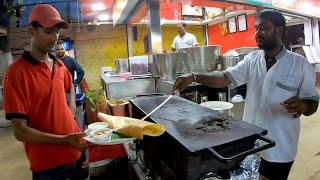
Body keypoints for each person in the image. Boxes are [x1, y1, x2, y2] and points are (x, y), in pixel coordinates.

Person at [173, 11, 319, 180]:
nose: (257, 33)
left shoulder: (300, 65)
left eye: (264, 28)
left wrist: (303, 105)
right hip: (251, 143)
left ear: (280, 30)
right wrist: (194, 76)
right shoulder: (252, 60)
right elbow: (225, 77)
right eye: (256, 28)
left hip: (281, 146)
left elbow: (313, 102)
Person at [3, 4, 90, 179]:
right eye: (49, 31)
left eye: (57, 32)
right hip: (48, 164)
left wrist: (71, 108)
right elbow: (20, 131)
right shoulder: (17, 73)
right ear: (31, 30)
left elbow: (70, 86)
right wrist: (63, 140)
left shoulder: (58, 64)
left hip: (76, 151)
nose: (55, 38)